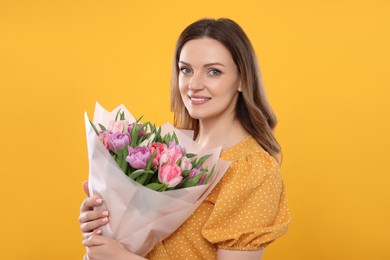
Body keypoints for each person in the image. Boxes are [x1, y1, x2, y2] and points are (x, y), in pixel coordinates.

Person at [79, 18, 290, 260]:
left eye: (213, 72)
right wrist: (103, 226)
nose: (194, 84)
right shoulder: (168, 153)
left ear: (242, 79)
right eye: (186, 69)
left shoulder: (252, 170)